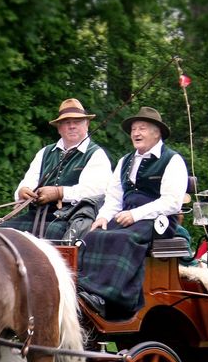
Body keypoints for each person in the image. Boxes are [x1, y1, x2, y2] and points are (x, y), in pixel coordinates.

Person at [76, 106, 188, 316]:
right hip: (126, 215)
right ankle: (84, 290)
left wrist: (136, 214)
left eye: (142, 128)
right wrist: (103, 217)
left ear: (157, 133)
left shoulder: (173, 160)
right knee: (92, 236)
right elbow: (114, 198)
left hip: (159, 219)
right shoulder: (125, 161)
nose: (136, 133)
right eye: (134, 129)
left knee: (123, 238)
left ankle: (108, 298)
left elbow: (172, 202)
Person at [3, 98, 111, 240]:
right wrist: (23, 191)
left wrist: (59, 192)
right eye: (67, 122)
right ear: (59, 128)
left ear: (87, 125)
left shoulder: (96, 154)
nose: (72, 126)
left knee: (52, 236)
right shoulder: (44, 152)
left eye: (77, 122)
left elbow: (96, 191)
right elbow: (28, 181)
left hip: (72, 218)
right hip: (37, 215)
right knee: (1, 232)